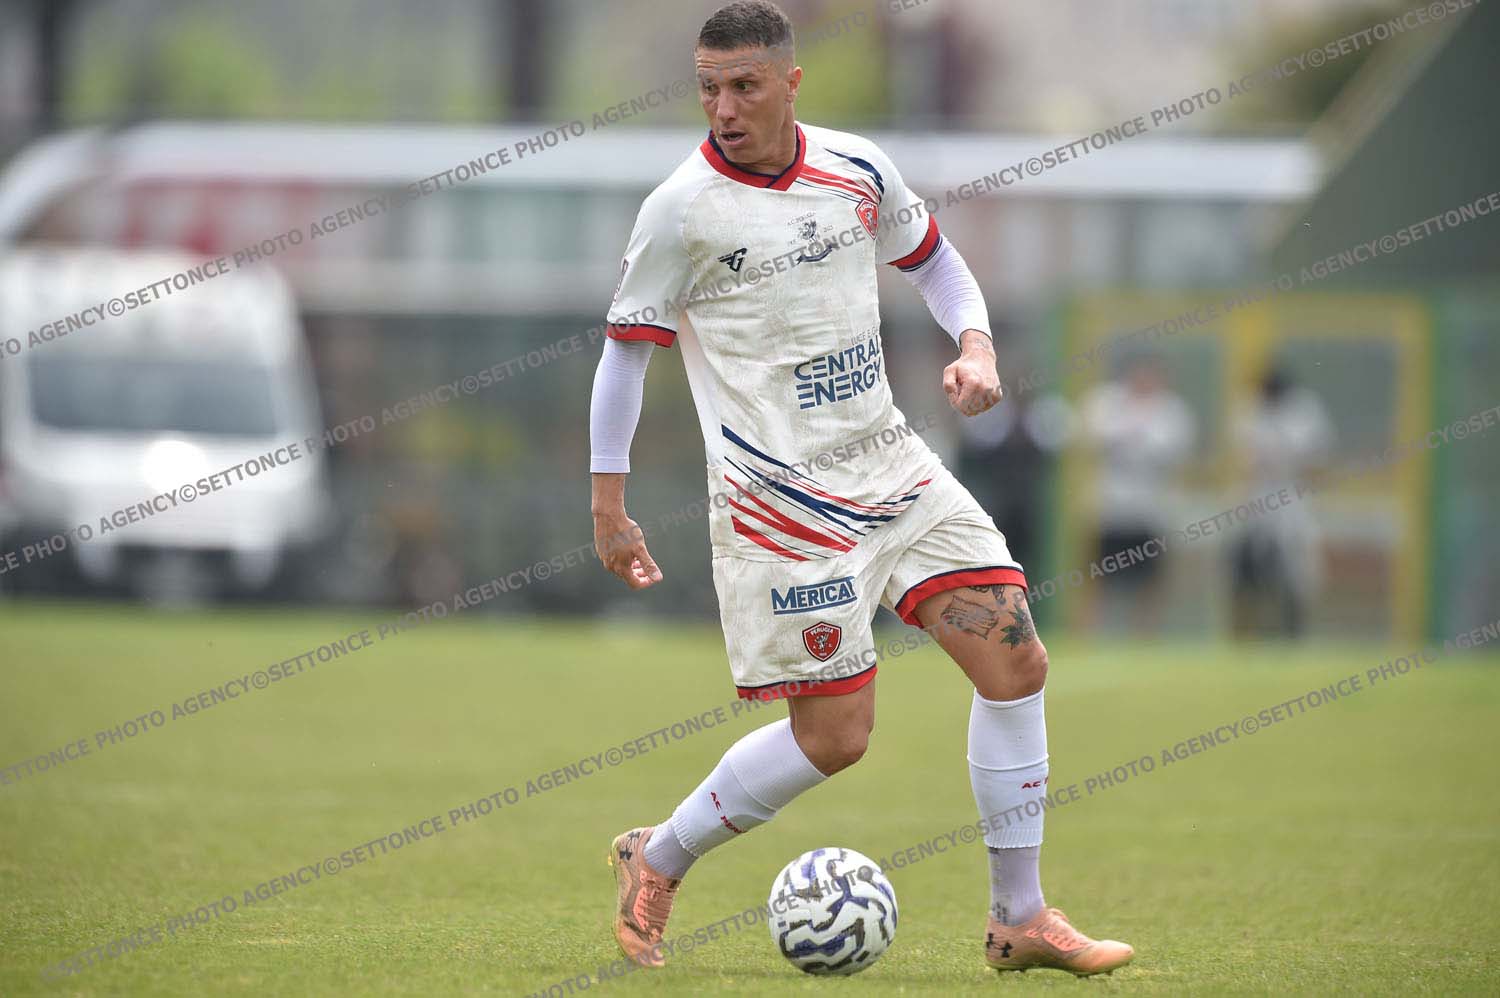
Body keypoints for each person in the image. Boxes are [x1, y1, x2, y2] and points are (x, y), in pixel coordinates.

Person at [587, 1, 1131, 978]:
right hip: (780, 506)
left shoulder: (858, 169)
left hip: (892, 467)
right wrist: (608, 504)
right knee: (836, 738)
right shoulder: (680, 210)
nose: (724, 107)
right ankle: (657, 855)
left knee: (1016, 661)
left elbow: (938, 264)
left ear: (791, 84)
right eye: (708, 88)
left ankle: (1019, 917)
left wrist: (975, 346)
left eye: (745, 86)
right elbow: (626, 356)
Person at [1079, 351, 1195, 632]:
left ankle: (1145, 634)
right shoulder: (1106, 402)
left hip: (1150, 509)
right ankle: (1088, 632)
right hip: (1110, 507)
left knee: (1150, 580)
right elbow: (1091, 438)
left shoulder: (1171, 410)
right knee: (1097, 575)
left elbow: (1173, 452)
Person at [1230, 365, 1334, 638]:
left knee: (1297, 573)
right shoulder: (1251, 410)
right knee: (1248, 570)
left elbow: (1315, 462)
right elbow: (1248, 461)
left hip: (1295, 501)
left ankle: (1292, 632)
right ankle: (1249, 633)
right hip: (1258, 500)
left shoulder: (1305, 411)